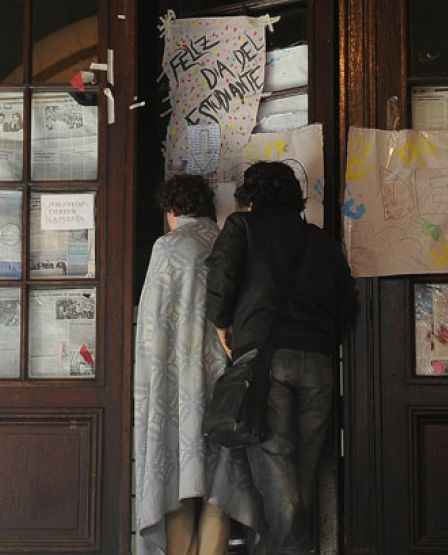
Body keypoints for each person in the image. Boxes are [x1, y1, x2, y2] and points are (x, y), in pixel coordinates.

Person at [206, 162, 357, 554]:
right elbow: (347, 302)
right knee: (305, 469)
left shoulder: (242, 228)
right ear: (296, 198)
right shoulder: (321, 241)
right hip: (319, 363)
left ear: (249, 198)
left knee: (276, 467)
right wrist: (324, 339)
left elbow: (221, 279)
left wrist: (222, 323)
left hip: (266, 361)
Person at [135, 175, 262, 555]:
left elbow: (152, 326)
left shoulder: (168, 248)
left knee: (174, 476)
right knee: (219, 481)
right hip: (223, 380)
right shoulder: (228, 243)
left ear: (171, 211)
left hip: (174, 383)